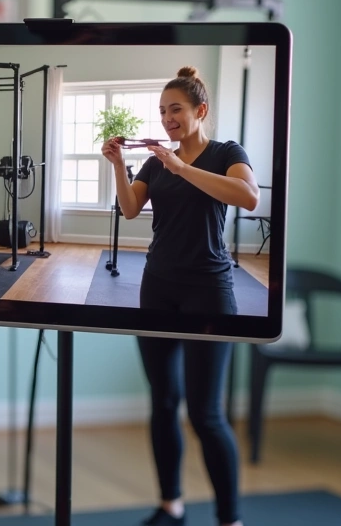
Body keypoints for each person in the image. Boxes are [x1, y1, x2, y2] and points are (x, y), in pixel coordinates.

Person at [101, 66, 259, 526]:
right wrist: (117, 166)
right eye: (162, 111)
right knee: (164, 402)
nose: (167, 119)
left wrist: (182, 167)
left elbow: (248, 198)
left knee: (206, 414)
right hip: (158, 288)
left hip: (209, 291)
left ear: (199, 110)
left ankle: (230, 519)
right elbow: (130, 210)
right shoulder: (155, 160)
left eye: (176, 109)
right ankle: (171, 504)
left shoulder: (227, 152)